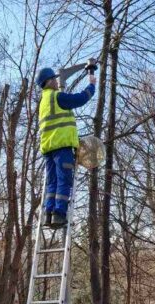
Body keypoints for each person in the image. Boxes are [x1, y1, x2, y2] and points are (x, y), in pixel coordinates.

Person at [36, 67, 96, 228]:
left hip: (48, 149)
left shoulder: (43, 102)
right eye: (54, 79)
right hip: (61, 146)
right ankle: (59, 214)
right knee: (64, 180)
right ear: (49, 81)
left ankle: (49, 215)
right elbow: (80, 99)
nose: (57, 82)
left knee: (52, 183)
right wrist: (91, 85)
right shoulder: (57, 97)